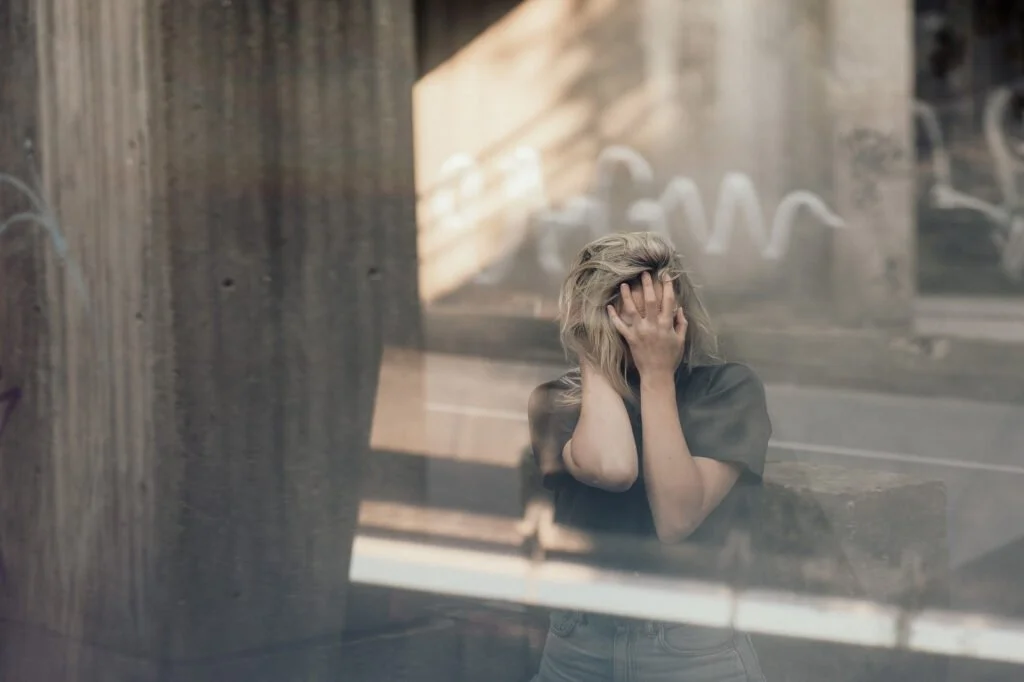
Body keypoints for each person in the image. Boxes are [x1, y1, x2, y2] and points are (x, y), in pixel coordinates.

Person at [528, 232, 771, 682]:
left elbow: (676, 518)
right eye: (628, 318)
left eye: (659, 314)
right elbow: (613, 467)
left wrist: (657, 375)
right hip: (580, 644)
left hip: (690, 648)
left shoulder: (728, 390)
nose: (645, 330)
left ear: (681, 315)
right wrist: (592, 348)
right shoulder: (557, 401)